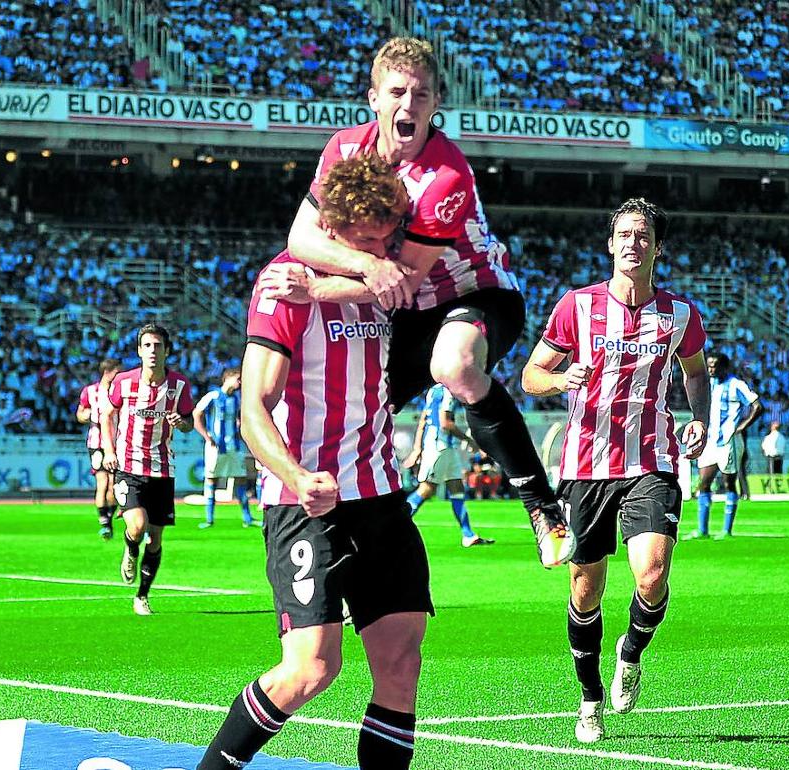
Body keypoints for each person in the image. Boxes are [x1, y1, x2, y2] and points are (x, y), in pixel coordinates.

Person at [261, 36, 574, 569]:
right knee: (355, 408)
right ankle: (346, 532)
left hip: (475, 293)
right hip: (401, 309)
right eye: (398, 92)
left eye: (422, 95)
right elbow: (301, 237)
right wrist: (364, 263)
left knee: (453, 365)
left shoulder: (446, 174)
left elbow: (405, 277)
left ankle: (543, 506)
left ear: (436, 103)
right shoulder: (344, 149)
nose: (409, 106)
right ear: (373, 99)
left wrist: (318, 288)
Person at [199, 155, 430, 770]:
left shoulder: (388, 277)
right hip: (306, 503)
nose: (383, 253)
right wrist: (297, 476)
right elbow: (254, 408)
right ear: (330, 227)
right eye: (368, 241)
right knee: (310, 670)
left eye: (390, 238)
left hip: (379, 494)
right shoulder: (282, 284)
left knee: (401, 660)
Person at [521, 198, 709, 743]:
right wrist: (560, 380)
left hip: (652, 459)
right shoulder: (575, 307)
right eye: (623, 234)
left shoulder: (680, 314)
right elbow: (531, 375)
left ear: (657, 247)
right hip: (585, 466)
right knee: (585, 588)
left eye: (643, 235)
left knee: (652, 574)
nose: (632, 242)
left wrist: (697, 419)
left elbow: (695, 372)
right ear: (610, 245)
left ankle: (630, 653)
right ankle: (589, 698)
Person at [101, 323, 195, 616]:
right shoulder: (125, 382)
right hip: (128, 467)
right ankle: (130, 549)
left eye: (158, 346)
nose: (153, 351)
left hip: (163, 469)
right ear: (139, 351)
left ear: (167, 351)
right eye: (147, 346)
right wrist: (108, 450)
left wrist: (183, 423)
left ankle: (142, 596)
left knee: (155, 540)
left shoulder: (179, 385)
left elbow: (189, 421)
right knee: (137, 527)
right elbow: (107, 415)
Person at [403, 384, 494, 547]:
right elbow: (445, 423)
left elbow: (424, 420)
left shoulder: (433, 391)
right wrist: (470, 441)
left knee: (457, 489)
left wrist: (417, 448)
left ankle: (468, 535)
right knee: (426, 489)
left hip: (445, 448)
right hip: (439, 446)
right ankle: (396, 526)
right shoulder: (448, 392)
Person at [688, 354, 762, 539]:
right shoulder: (708, 384)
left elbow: (757, 406)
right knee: (703, 483)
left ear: (724, 367)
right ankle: (702, 530)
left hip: (728, 441)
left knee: (729, 483)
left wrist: (741, 427)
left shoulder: (736, 384)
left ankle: (726, 530)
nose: (711, 369)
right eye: (709, 366)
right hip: (710, 441)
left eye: (715, 366)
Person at [193, 366, 257, 529]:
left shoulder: (236, 399)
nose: (240, 383)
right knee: (212, 480)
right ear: (228, 377)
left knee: (240, 478)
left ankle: (247, 518)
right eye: (238, 379)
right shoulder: (213, 396)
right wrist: (207, 436)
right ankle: (209, 519)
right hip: (216, 447)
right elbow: (196, 413)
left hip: (234, 447)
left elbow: (238, 419)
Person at [77, 358, 122, 538]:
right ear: (107, 372)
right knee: (102, 483)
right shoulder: (91, 391)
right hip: (96, 444)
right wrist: (86, 415)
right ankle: (104, 523)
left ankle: (108, 518)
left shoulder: (120, 391)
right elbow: (80, 413)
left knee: (115, 485)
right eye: (117, 373)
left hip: (117, 444)